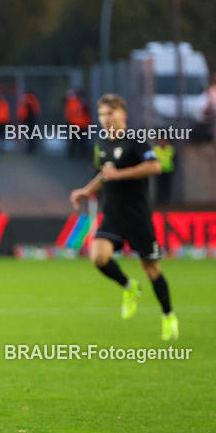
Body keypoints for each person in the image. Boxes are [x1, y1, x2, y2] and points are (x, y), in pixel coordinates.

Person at [69, 94, 178, 341]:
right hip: (114, 215)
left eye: (110, 113)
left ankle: (168, 316)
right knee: (98, 256)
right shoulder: (101, 144)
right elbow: (105, 174)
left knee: (151, 269)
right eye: (102, 115)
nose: (105, 119)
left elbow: (155, 167)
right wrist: (86, 191)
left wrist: (121, 174)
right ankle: (129, 286)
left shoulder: (136, 139)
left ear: (123, 115)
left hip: (138, 216)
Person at [152, 138, 175, 206]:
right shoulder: (156, 149)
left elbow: (175, 159)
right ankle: (159, 201)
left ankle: (167, 201)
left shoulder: (170, 149)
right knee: (159, 187)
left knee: (167, 187)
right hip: (159, 171)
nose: (162, 142)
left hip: (168, 171)